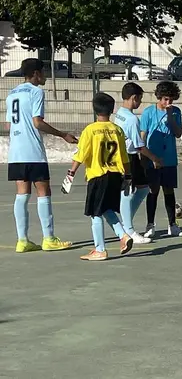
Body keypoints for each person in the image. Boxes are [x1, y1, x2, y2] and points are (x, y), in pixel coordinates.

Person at [6, 58, 76, 252]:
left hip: (16, 152)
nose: (44, 76)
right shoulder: (36, 92)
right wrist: (62, 135)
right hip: (33, 151)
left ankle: (22, 240)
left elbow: (8, 125)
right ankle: (49, 238)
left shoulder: (12, 93)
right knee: (43, 192)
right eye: (43, 72)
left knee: (22, 194)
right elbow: (37, 122)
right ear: (36, 73)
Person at [67, 92, 133, 261]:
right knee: (106, 209)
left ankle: (100, 249)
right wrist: (128, 176)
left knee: (95, 213)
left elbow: (81, 154)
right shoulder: (117, 130)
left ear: (95, 109)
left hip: (98, 175)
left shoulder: (90, 130)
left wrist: (71, 172)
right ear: (112, 110)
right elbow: (124, 156)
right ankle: (123, 236)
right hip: (115, 174)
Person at [115, 83, 162, 244]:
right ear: (134, 98)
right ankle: (128, 230)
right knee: (127, 193)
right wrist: (154, 158)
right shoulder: (131, 119)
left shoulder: (119, 113)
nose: (140, 102)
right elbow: (139, 145)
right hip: (129, 157)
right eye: (140, 99)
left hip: (126, 156)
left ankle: (126, 222)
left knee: (142, 189)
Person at [139, 81, 182, 238]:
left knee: (168, 190)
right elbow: (142, 135)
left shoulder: (176, 112)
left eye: (171, 99)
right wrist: (144, 156)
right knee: (153, 191)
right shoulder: (148, 112)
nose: (168, 103)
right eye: (165, 99)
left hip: (169, 158)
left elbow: (178, 133)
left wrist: (171, 118)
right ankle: (150, 224)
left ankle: (172, 224)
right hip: (152, 158)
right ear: (159, 97)